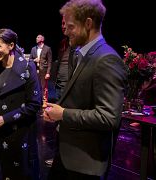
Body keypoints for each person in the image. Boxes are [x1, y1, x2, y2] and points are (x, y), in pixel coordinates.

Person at [43, 0, 127, 179]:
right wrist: (56, 113)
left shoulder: (106, 60)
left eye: (70, 26)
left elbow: (108, 117)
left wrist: (63, 114)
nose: (65, 30)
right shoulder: (80, 54)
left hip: (84, 164)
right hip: (67, 155)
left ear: (88, 24)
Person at [0, 28, 42, 179]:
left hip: (16, 132)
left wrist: (4, 119)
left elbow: (34, 104)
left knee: (15, 173)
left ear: (11, 45)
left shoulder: (27, 68)